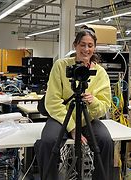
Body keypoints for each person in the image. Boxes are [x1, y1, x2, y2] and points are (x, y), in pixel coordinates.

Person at [34, 26, 113, 180]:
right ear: (75, 45)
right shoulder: (61, 66)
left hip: (87, 118)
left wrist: (94, 102)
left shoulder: (101, 73)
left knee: (105, 141)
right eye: (82, 45)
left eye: (90, 45)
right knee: (48, 142)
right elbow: (52, 102)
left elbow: (104, 105)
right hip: (62, 117)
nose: (86, 49)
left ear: (94, 48)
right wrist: (72, 128)